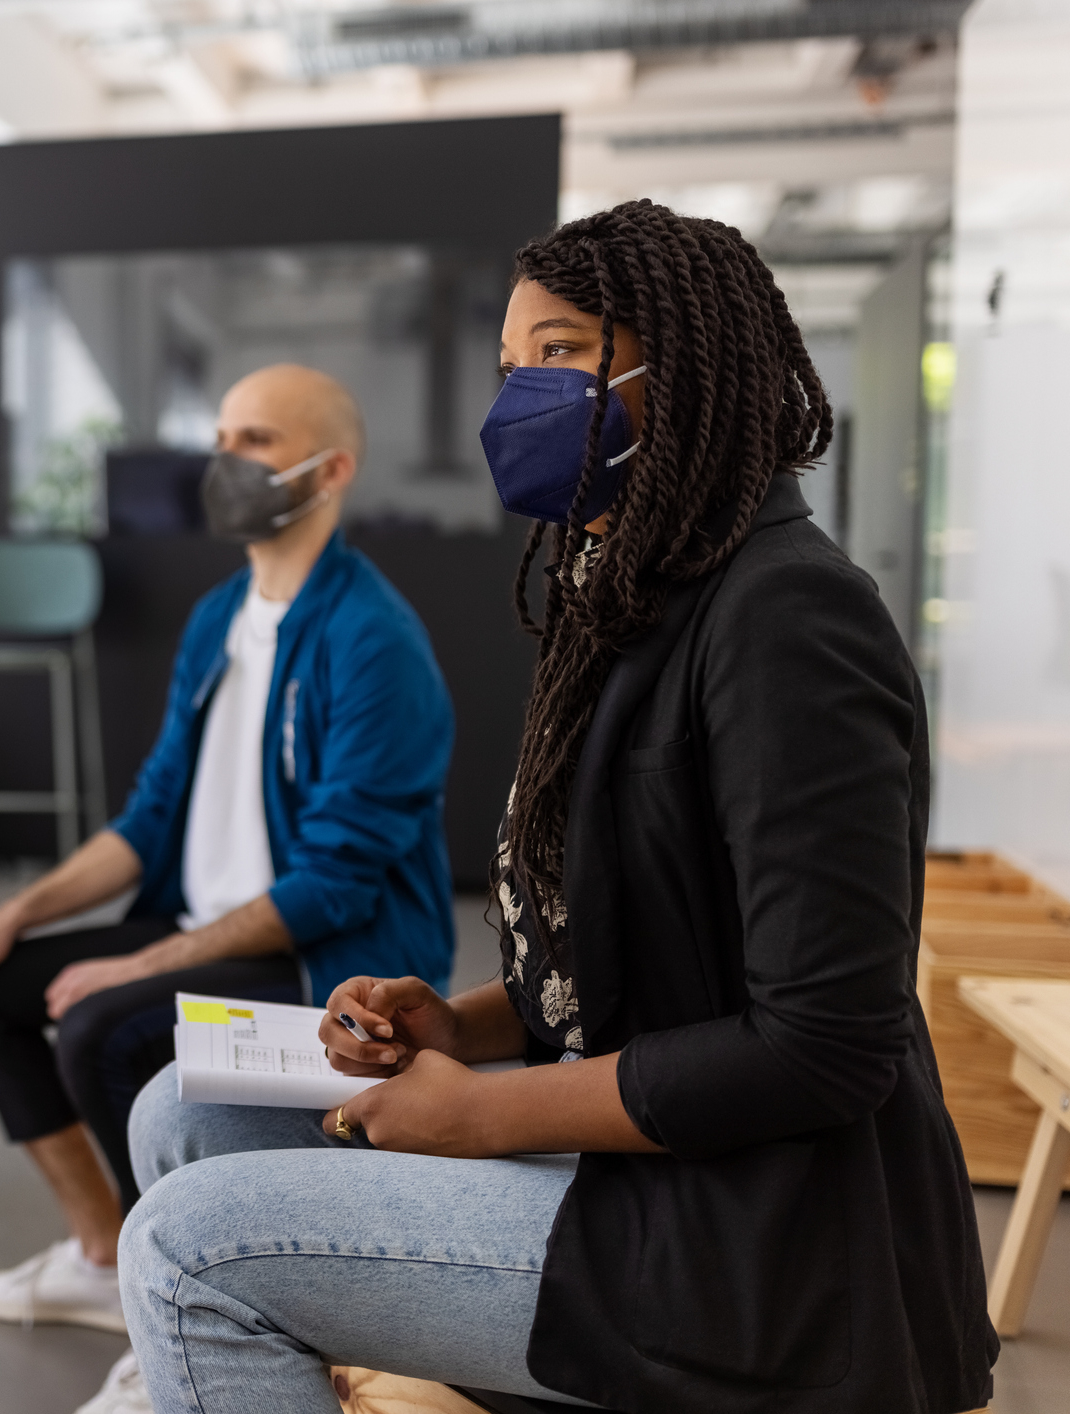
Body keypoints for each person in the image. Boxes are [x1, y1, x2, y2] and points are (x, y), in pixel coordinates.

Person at [109, 200, 997, 1414]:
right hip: (627, 1163)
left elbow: (821, 1046)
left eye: (561, 354)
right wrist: (455, 1029)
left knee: (181, 1251)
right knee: (184, 1107)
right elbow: (626, 969)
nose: (518, 393)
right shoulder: (628, 594)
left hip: (747, 1244)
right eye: (507, 364)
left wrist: (480, 1114)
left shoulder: (788, 616)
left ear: (676, 368)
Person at [0, 363, 457, 1339]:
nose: (225, 462)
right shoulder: (219, 617)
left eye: (253, 441)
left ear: (329, 467)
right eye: (220, 439)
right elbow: (147, 818)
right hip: (207, 925)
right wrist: (10, 915)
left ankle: (168, 1299)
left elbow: (331, 885)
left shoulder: (373, 638)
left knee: (98, 1024)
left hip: (322, 959)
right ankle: (102, 1253)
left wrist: (135, 962)